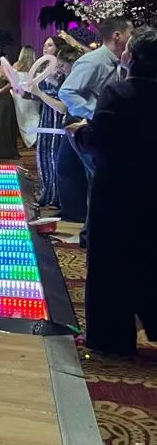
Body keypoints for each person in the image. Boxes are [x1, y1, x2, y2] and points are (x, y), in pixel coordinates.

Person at [67, 26, 157, 356]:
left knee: (112, 263)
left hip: (119, 190)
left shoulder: (119, 93)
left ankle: (111, 337)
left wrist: (78, 133)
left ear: (132, 57)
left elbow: (99, 139)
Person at [58, 16, 134, 248]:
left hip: (103, 128)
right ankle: (92, 236)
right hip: (87, 126)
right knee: (99, 180)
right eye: (130, 33)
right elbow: (67, 92)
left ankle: (93, 234)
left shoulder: (120, 62)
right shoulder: (93, 61)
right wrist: (95, 113)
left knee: (99, 181)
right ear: (117, 35)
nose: (132, 38)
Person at [30, 37, 80, 210]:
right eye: (44, 45)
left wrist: (39, 93)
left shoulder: (66, 73)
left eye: (50, 45)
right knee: (43, 156)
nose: (45, 48)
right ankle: (47, 194)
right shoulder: (45, 70)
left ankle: (58, 198)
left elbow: (63, 106)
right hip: (46, 115)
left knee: (56, 158)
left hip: (59, 118)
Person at [0, 48, 21, 160]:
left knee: (1, 124)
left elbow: (12, 83)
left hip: (3, 100)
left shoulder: (1, 69)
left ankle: (3, 152)